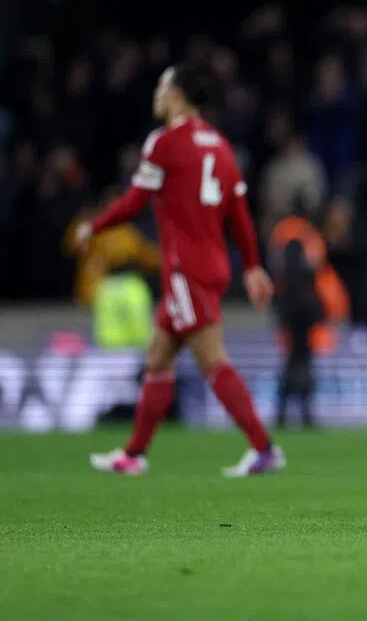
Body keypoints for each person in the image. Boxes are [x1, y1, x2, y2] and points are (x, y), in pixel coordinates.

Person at [76, 65, 284, 478]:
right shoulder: (220, 146)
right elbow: (239, 213)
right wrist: (253, 265)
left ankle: (264, 449)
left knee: (212, 360)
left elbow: (135, 202)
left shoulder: (165, 142)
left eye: (161, 86)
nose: (156, 93)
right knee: (158, 358)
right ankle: (134, 454)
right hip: (212, 266)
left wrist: (92, 226)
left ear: (177, 95)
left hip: (185, 270)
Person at [273, 239, 324, 428]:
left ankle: (283, 416)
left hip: (294, 332)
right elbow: (317, 304)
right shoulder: (307, 275)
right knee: (303, 374)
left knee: (290, 374)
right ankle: (305, 417)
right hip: (302, 332)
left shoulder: (285, 277)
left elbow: (280, 307)